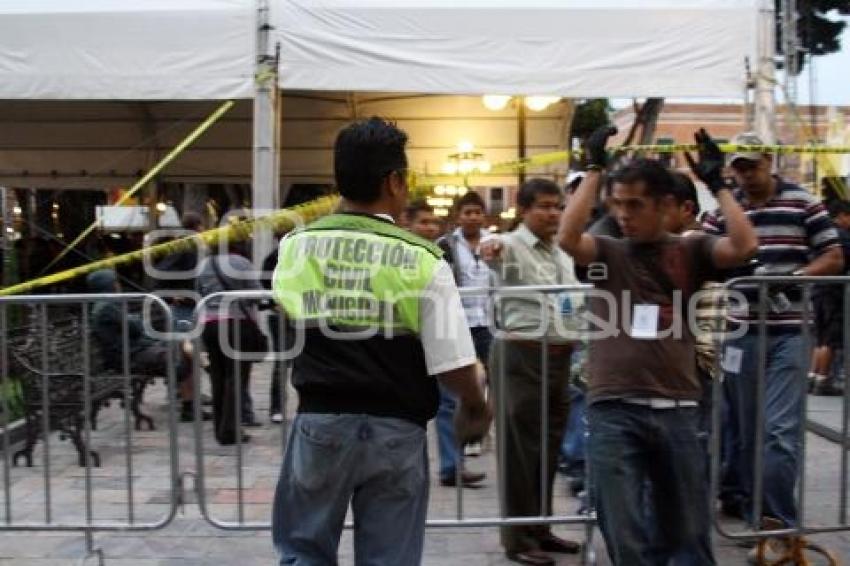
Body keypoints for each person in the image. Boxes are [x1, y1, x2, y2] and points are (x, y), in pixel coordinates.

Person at [270, 117, 491, 565]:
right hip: (397, 431)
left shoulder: (295, 247)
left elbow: (288, 312)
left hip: (321, 425)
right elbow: (452, 364)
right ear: (394, 181)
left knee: (303, 554)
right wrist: (476, 401)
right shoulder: (424, 259)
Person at [558, 126, 758, 565]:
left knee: (687, 532)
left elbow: (744, 245)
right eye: (617, 205)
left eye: (636, 205)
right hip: (613, 409)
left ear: (667, 206)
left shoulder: (692, 250)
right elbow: (567, 239)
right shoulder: (609, 252)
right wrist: (593, 169)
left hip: (678, 410)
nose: (624, 215)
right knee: (624, 531)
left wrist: (718, 185)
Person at [702, 132, 843, 555]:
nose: (745, 174)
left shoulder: (802, 202)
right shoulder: (728, 208)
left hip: (790, 330)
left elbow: (833, 255)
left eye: (752, 165)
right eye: (738, 167)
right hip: (739, 332)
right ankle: (758, 517)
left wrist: (795, 278)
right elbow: (697, 245)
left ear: (769, 160)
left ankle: (780, 524)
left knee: (778, 433)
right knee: (744, 433)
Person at [481, 178, 583, 566]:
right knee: (520, 451)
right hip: (522, 355)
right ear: (524, 210)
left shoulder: (560, 250)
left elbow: (570, 298)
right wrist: (489, 248)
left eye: (558, 206)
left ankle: (539, 527)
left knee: (548, 447)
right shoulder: (510, 245)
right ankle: (518, 539)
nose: (553, 213)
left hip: (558, 354)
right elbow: (492, 253)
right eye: (543, 206)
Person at [87, 268, 207, 423]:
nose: (118, 285)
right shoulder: (106, 307)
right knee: (181, 351)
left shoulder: (107, 305)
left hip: (133, 351)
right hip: (128, 356)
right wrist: (135, 321)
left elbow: (134, 325)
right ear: (107, 285)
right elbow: (135, 328)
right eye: (115, 281)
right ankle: (193, 396)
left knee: (181, 344)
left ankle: (191, 404)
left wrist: (134, 321)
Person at [435, 191, 491, 486]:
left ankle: (474, 438)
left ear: (484, 215)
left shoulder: (495, 244)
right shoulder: (444, 246)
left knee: (491, 391)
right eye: (467, 212)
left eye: (477, 212)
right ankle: (450, 465)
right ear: (458, 216)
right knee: (450, 397)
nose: (472, 217)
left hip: (488, 326)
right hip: (456, 326)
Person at [196, 240, 264, 445]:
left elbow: (198, 292)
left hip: (209, 324)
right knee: (236, 378)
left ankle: (220, 427)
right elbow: (257, 293)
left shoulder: (204, 264)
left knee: (217, 376)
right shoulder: (241, 263)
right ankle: (230, 429)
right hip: (236, 324)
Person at [808, 199, 850, 396]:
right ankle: (823, 379)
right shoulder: (841, 236)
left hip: (818, 290)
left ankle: (813, 376)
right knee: (831, 339)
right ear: (841, 215)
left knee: (820, 337)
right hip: (834, 292)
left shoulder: (820, 234)